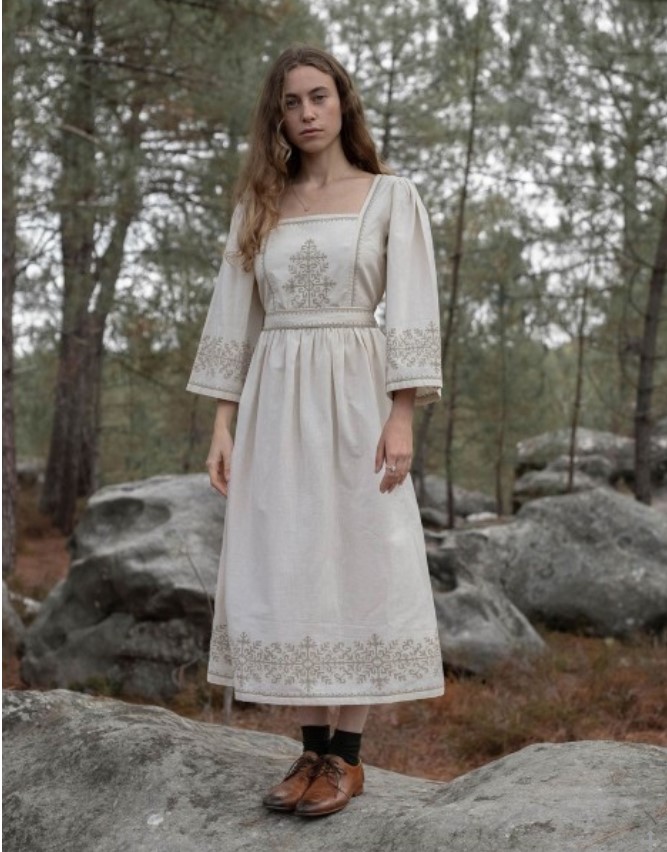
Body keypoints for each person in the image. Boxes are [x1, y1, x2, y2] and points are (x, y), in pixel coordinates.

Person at [186, 43, 444, 818]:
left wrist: (401, 413)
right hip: (274, 396)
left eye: (318, 98)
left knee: (362, 553)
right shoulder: (258, 207)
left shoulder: (388, 197)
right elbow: (235, 315)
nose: (304, 113)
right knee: (290, 556)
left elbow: (412, 305)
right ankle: (309, 749)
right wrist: (222, 424)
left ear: (342, 105)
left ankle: (349, 757)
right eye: (290, 102)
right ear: (277, 116)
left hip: (358, 394)